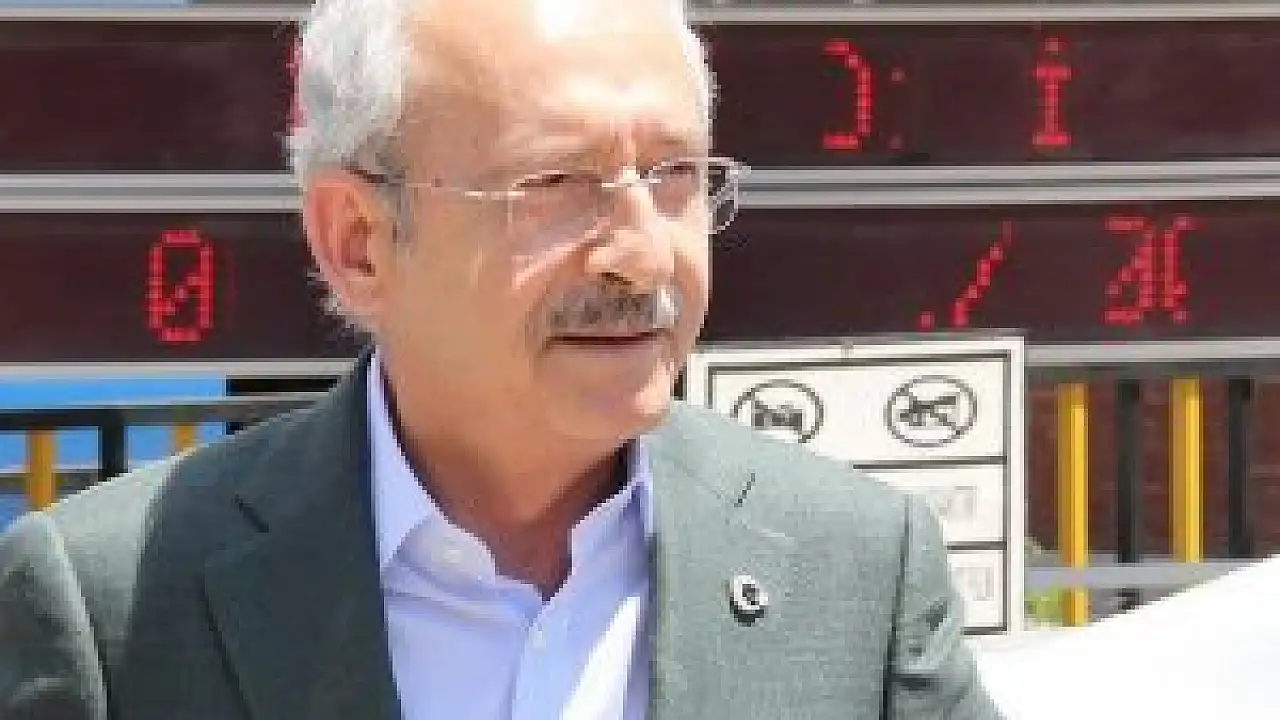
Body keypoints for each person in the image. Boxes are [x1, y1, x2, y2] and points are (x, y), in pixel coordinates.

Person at [0, 0, 1002, 717]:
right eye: (556, 180)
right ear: (358, 242)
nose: (643, 253)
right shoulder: (116, 608)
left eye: (674, 174)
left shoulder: (856, 571)